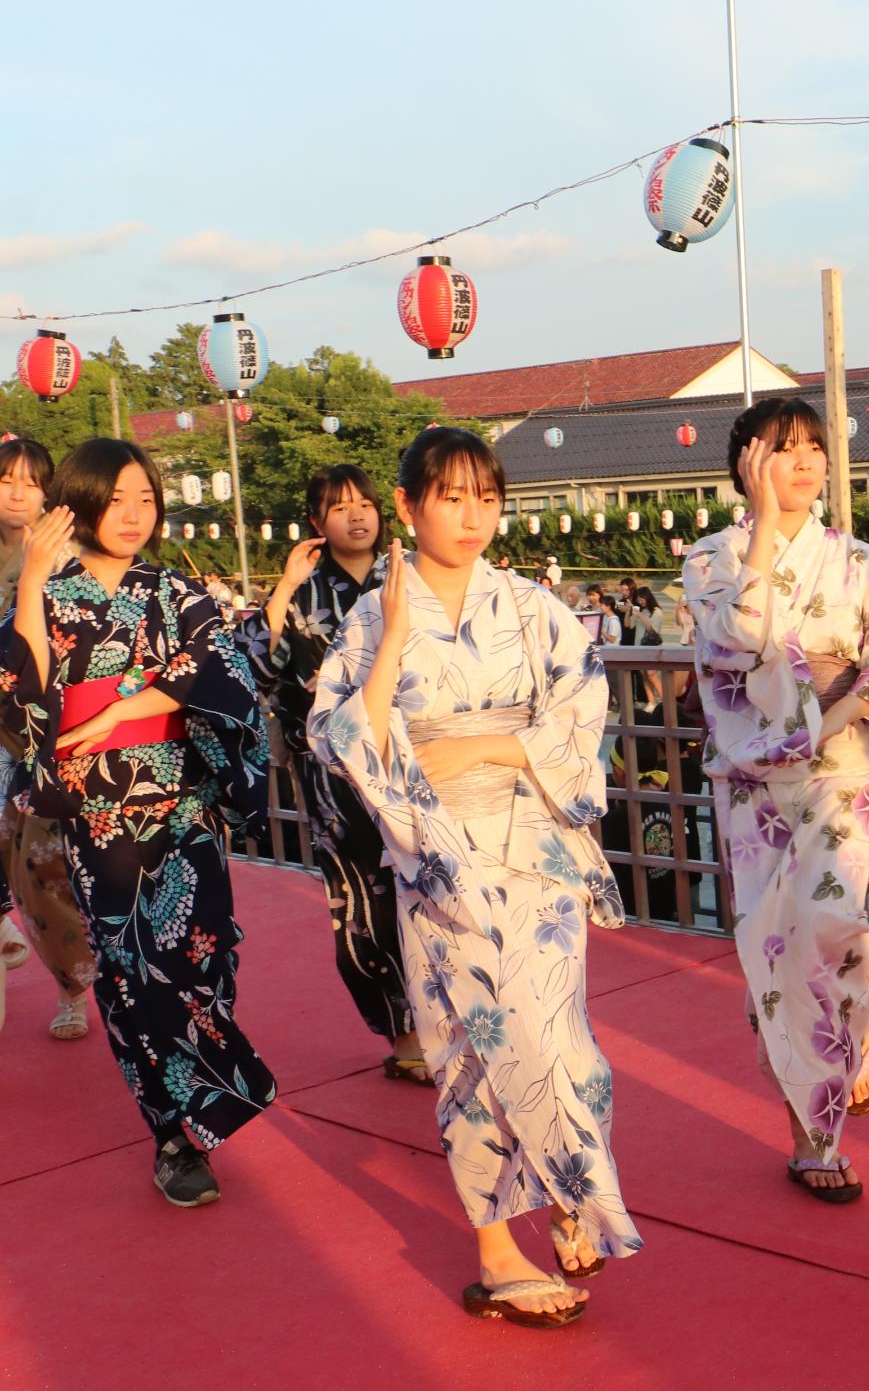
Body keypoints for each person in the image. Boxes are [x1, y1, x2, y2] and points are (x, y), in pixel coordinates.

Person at [310, 426, 642, 1326]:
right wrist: (390, 648)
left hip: (533, 843)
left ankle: (573, 1188)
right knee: (467, 1049)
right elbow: (339, 734)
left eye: (486, 497)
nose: (471, 516)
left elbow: (582, 709)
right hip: (435, 855)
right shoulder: (372, 616)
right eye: (449, 497)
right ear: (409, 507)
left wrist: (486, 746)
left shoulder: (533, 607)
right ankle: (499, 1252)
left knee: (560, 1037)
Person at [0, 438, 274, 1205]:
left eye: (145, 498)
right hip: (98, 813)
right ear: (80, 504)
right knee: (129, 972)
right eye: (116, 499)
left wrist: (130, 704)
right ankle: (172, 1136)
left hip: (179, 807)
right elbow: (21, 689)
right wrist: (29, 583)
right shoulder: (51, 592)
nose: (133, 514)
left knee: (203, 955)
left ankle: (206, 1098)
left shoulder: (175, 591)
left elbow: (222, 672)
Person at [684, 398, 869, 1204]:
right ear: (744, 464)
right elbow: (733, 650)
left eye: (811, 449)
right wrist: (763, 532)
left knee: (828, 928)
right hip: (754, 786)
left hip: (841, 767)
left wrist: (831, 710)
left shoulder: (867, 563)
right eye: (779, 449)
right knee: (769, 948)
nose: (800, 463)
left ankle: (856, 1023)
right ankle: (812, 1139)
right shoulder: (711, 558)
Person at [241, 464, 425, 1079]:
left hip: (416, 764)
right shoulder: (302, 594)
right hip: (335, 776)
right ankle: (405, 1039)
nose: (356, 514)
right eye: (338, 506)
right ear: (316, 523)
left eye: (365, 503)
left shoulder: (409, 577)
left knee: (435, 889)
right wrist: (282, 592)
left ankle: (454, 1023)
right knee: (362, 904)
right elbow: (261, 677)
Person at [0, 436, 95, 1042]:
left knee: (47, 873)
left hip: (38, 732)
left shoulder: (66, 556)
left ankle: (71, 987)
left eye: (31, 482)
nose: (17, 493)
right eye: (5, 479)